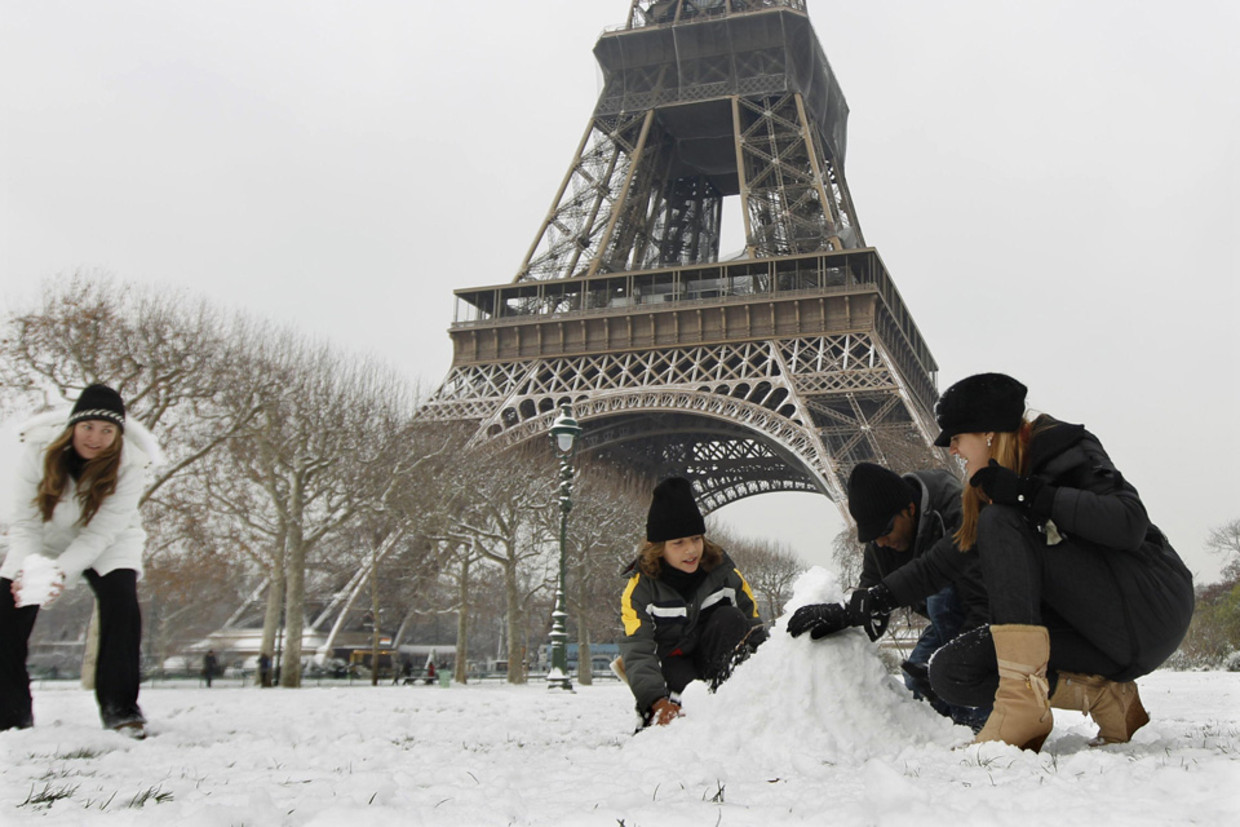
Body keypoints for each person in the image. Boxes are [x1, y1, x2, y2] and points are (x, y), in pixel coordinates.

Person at [1, 385, 159, 738]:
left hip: (108, 543)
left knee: (121, 602)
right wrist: (29, 571)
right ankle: (10, 713)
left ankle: (121, 710)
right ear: (73, 426)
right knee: (6, 603)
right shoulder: (38, 452)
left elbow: (99, 536)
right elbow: (25, 524)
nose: (96, 438)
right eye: (88, 427)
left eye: (107, 431)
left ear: (118, 435)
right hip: (42, 536)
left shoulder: (130, 465)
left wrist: (60, 573)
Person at [845, 462, 990, 730]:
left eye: (885, 532)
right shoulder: (881, 541)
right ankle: (955, 725)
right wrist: (845, 621)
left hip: (990, 620)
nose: (881, 543)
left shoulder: (955, 513)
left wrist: (953, 666)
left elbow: (982, 604)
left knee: (940, 597)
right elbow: (871, 597)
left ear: (909, 509)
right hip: (950, 621)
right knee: (915, 677)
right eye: (873, 538)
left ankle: (984, 719)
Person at [618, 477, 766, 728]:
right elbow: (639, 649)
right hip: (672, 666)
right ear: (658, 548)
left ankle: (733, 706)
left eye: (696, 539)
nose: (691, 550)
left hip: (715, 658)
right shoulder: (639, 590)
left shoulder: (725, 575)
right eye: (679, 543)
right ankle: (669, 712)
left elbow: (753, 626)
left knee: (730, 618)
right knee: (691, 696)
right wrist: (656, 701)